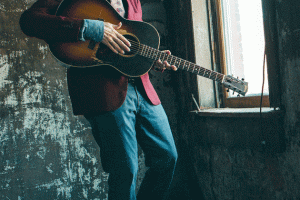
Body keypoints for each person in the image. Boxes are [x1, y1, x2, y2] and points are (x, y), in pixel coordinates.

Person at [20, 0, 178, 199]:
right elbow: (29, 21)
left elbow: (129, 43)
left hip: (143, 90)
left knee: (167, 157)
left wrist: (151, 59)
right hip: (104, 91)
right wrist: (92, 28)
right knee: (125, 171)